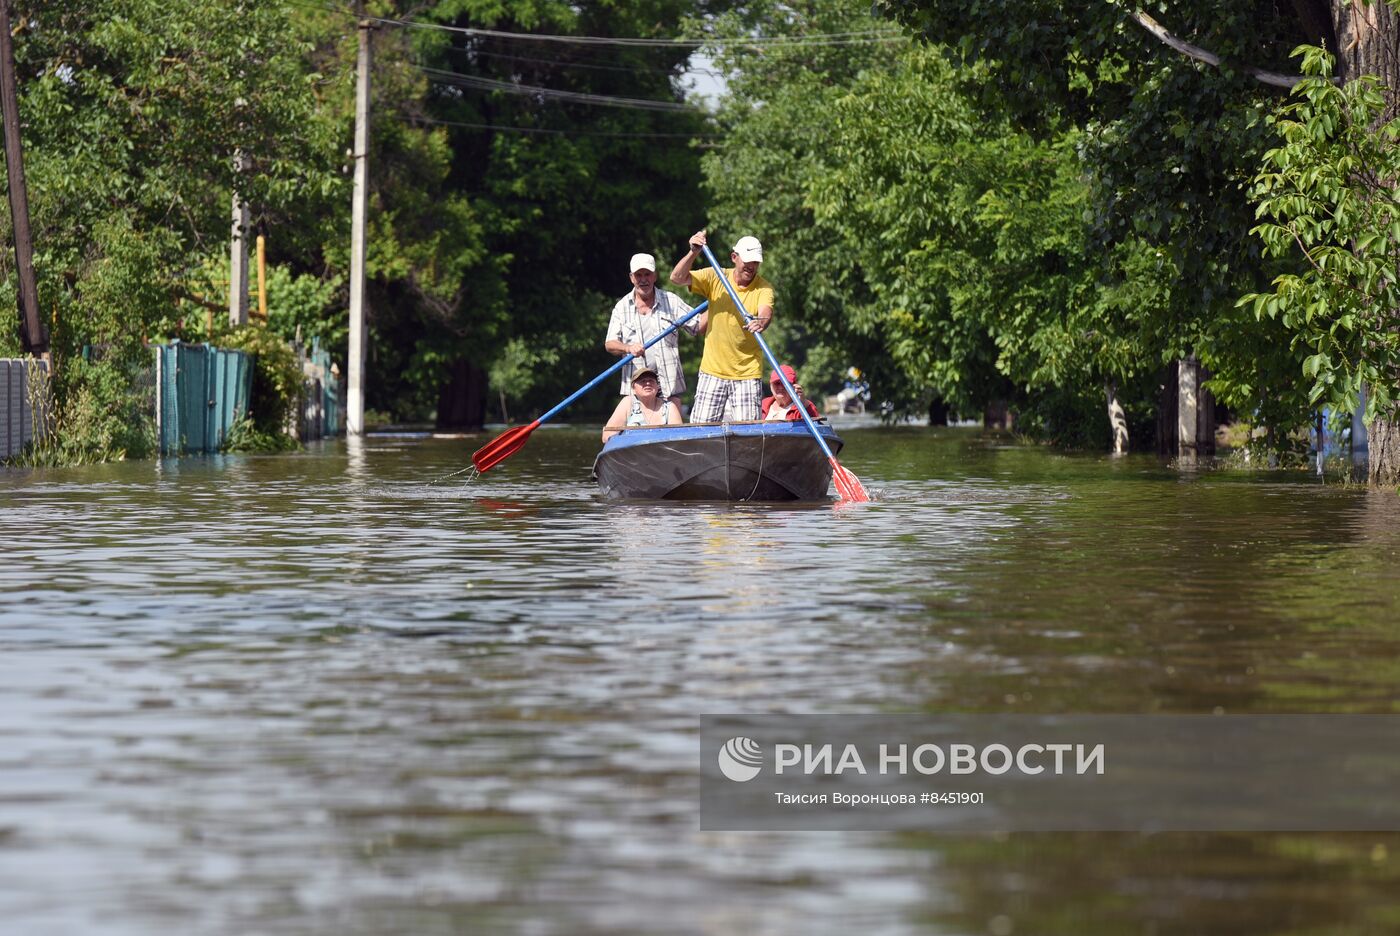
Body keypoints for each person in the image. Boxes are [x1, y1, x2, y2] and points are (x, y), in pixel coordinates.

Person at [669, 231, 773, 423]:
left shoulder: (764, 288)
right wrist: (693, 252)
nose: (751, 267)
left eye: (755, 263)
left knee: (748, 433)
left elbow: (765, 312)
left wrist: (761, 322)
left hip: (747, 373)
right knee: (700, 431)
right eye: (747, 261)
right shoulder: (716, 276)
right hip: (713, 370)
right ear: (734, 257)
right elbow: (677, 278)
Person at [604, 253, 700, 404]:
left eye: (647, 274)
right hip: (636, 391)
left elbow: (698, 325)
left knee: (673, 425)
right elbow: (610, 344)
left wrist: (716, 303)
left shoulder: (671, 301)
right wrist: (629, 348)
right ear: (631, 278)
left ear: (655, 276)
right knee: (620, 426)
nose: (643, 280)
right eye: (638, 275)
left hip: (669, 389)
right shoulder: (621, 307)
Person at [601, 366, 682, 442]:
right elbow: (607, 436)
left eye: (651, 380)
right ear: (633, 388)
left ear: (657, 387)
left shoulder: (670, 407)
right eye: (642, 381)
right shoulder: (628, 402)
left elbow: (679, 437)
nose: (647, 383)